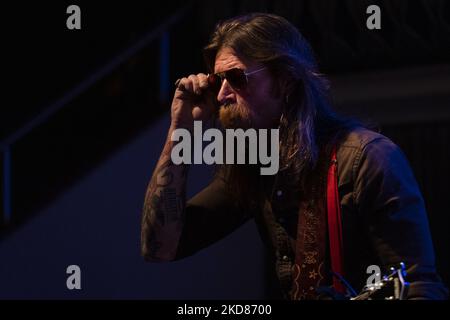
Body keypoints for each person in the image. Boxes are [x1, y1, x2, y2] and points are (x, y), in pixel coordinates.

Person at [140, 13, 447, 299]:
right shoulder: (255, 164)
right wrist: (180, 129)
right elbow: (161, 248)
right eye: (218, 81)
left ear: (286, 79)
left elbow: (420, 287)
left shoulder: (368, 159)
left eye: (236, 78)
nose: (221, 95)